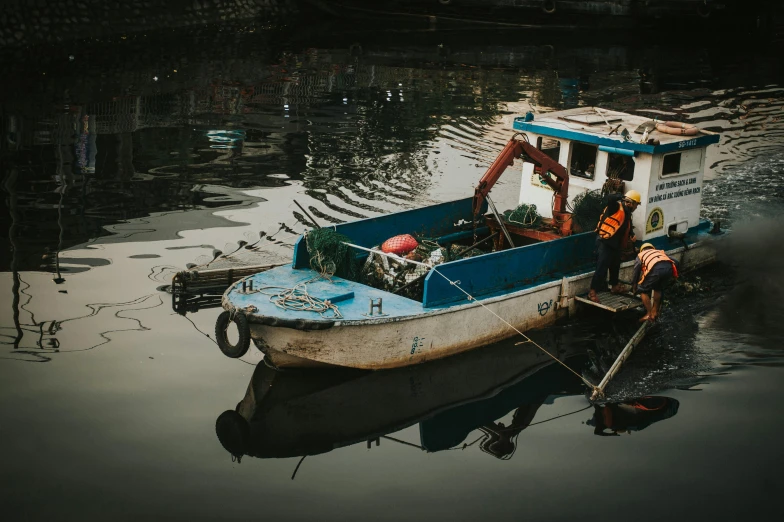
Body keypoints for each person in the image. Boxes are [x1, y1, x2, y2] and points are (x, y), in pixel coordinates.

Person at [588, 190, 641, 303]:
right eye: (636, 204)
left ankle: (614, 286)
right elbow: (610, 197)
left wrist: (631, 235)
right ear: (631, 203)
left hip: (615, 244)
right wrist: (622, 196)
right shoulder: (616, 207)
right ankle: (592, 292)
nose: (637, 207)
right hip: (605, 242)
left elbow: (627, 225)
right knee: (601, 267)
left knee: (615, 265)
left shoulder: (627, 213)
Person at [631, 243, 679, 322]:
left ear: (641, 250)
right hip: (668, 268)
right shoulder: (659, 252)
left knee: (642, 290)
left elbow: (636, 271)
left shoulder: (640, 255)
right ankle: (655, 311)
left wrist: (634, 285)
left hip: (655, 270)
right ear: (653, 248)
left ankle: (649, 314)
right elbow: (676, 261)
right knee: (657, 288)